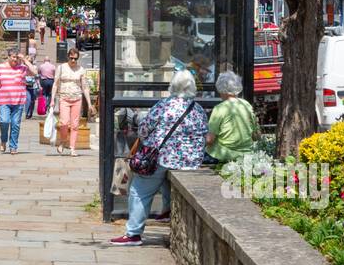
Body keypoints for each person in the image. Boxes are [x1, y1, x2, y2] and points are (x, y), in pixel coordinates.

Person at [110, 70, 208, 248]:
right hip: (191, 160)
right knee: (162, 178)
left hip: (164, 158)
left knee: (139, 190)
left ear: (173, 85)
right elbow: (203, 134)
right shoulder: (198, 109)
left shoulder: (164, 105)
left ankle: (133, 234)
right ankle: (166, 209)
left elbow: (144, 129)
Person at [0, 47, 38, 154]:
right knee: (4, 121)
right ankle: (3, 140)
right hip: (4, 101)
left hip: (19, 101)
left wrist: (25, 60)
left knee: (15, 124)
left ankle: (13, 146)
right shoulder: (0, 68)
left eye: (17, 58)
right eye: (13, 57)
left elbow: (35, 72)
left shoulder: (22, 68)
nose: (15, 60)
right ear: (8, 57)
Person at [205, 71, 260, 164]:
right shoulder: (246, 105)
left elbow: (210, 140)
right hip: (246, 154)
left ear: (220, 88)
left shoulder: (219, 108)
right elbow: (256, 135)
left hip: (223, 154)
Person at [51, 47, 95, 156]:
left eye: (75, 58)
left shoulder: (81, 69)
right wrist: (52, 99)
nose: (73, 61)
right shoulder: (61, 68)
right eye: (71, 58)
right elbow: (55, 84)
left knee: (75, 125)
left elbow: (85, 87)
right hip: (64, 98)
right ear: (68, 57)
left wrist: (89, 103)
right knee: (64, 122)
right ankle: (62, 141)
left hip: (77, 98)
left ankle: (72, 148)